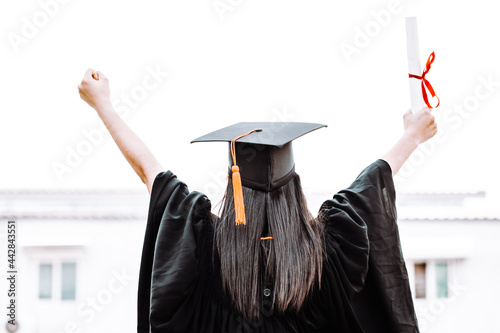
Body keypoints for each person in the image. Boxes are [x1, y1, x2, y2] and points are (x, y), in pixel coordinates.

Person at [78, 68, 437, 333]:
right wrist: (411, 136)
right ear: (294, 186)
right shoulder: (330, 251)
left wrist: (103, 105)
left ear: (236, 188)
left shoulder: (203, 247)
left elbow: (149, 171)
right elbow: (369, 187)